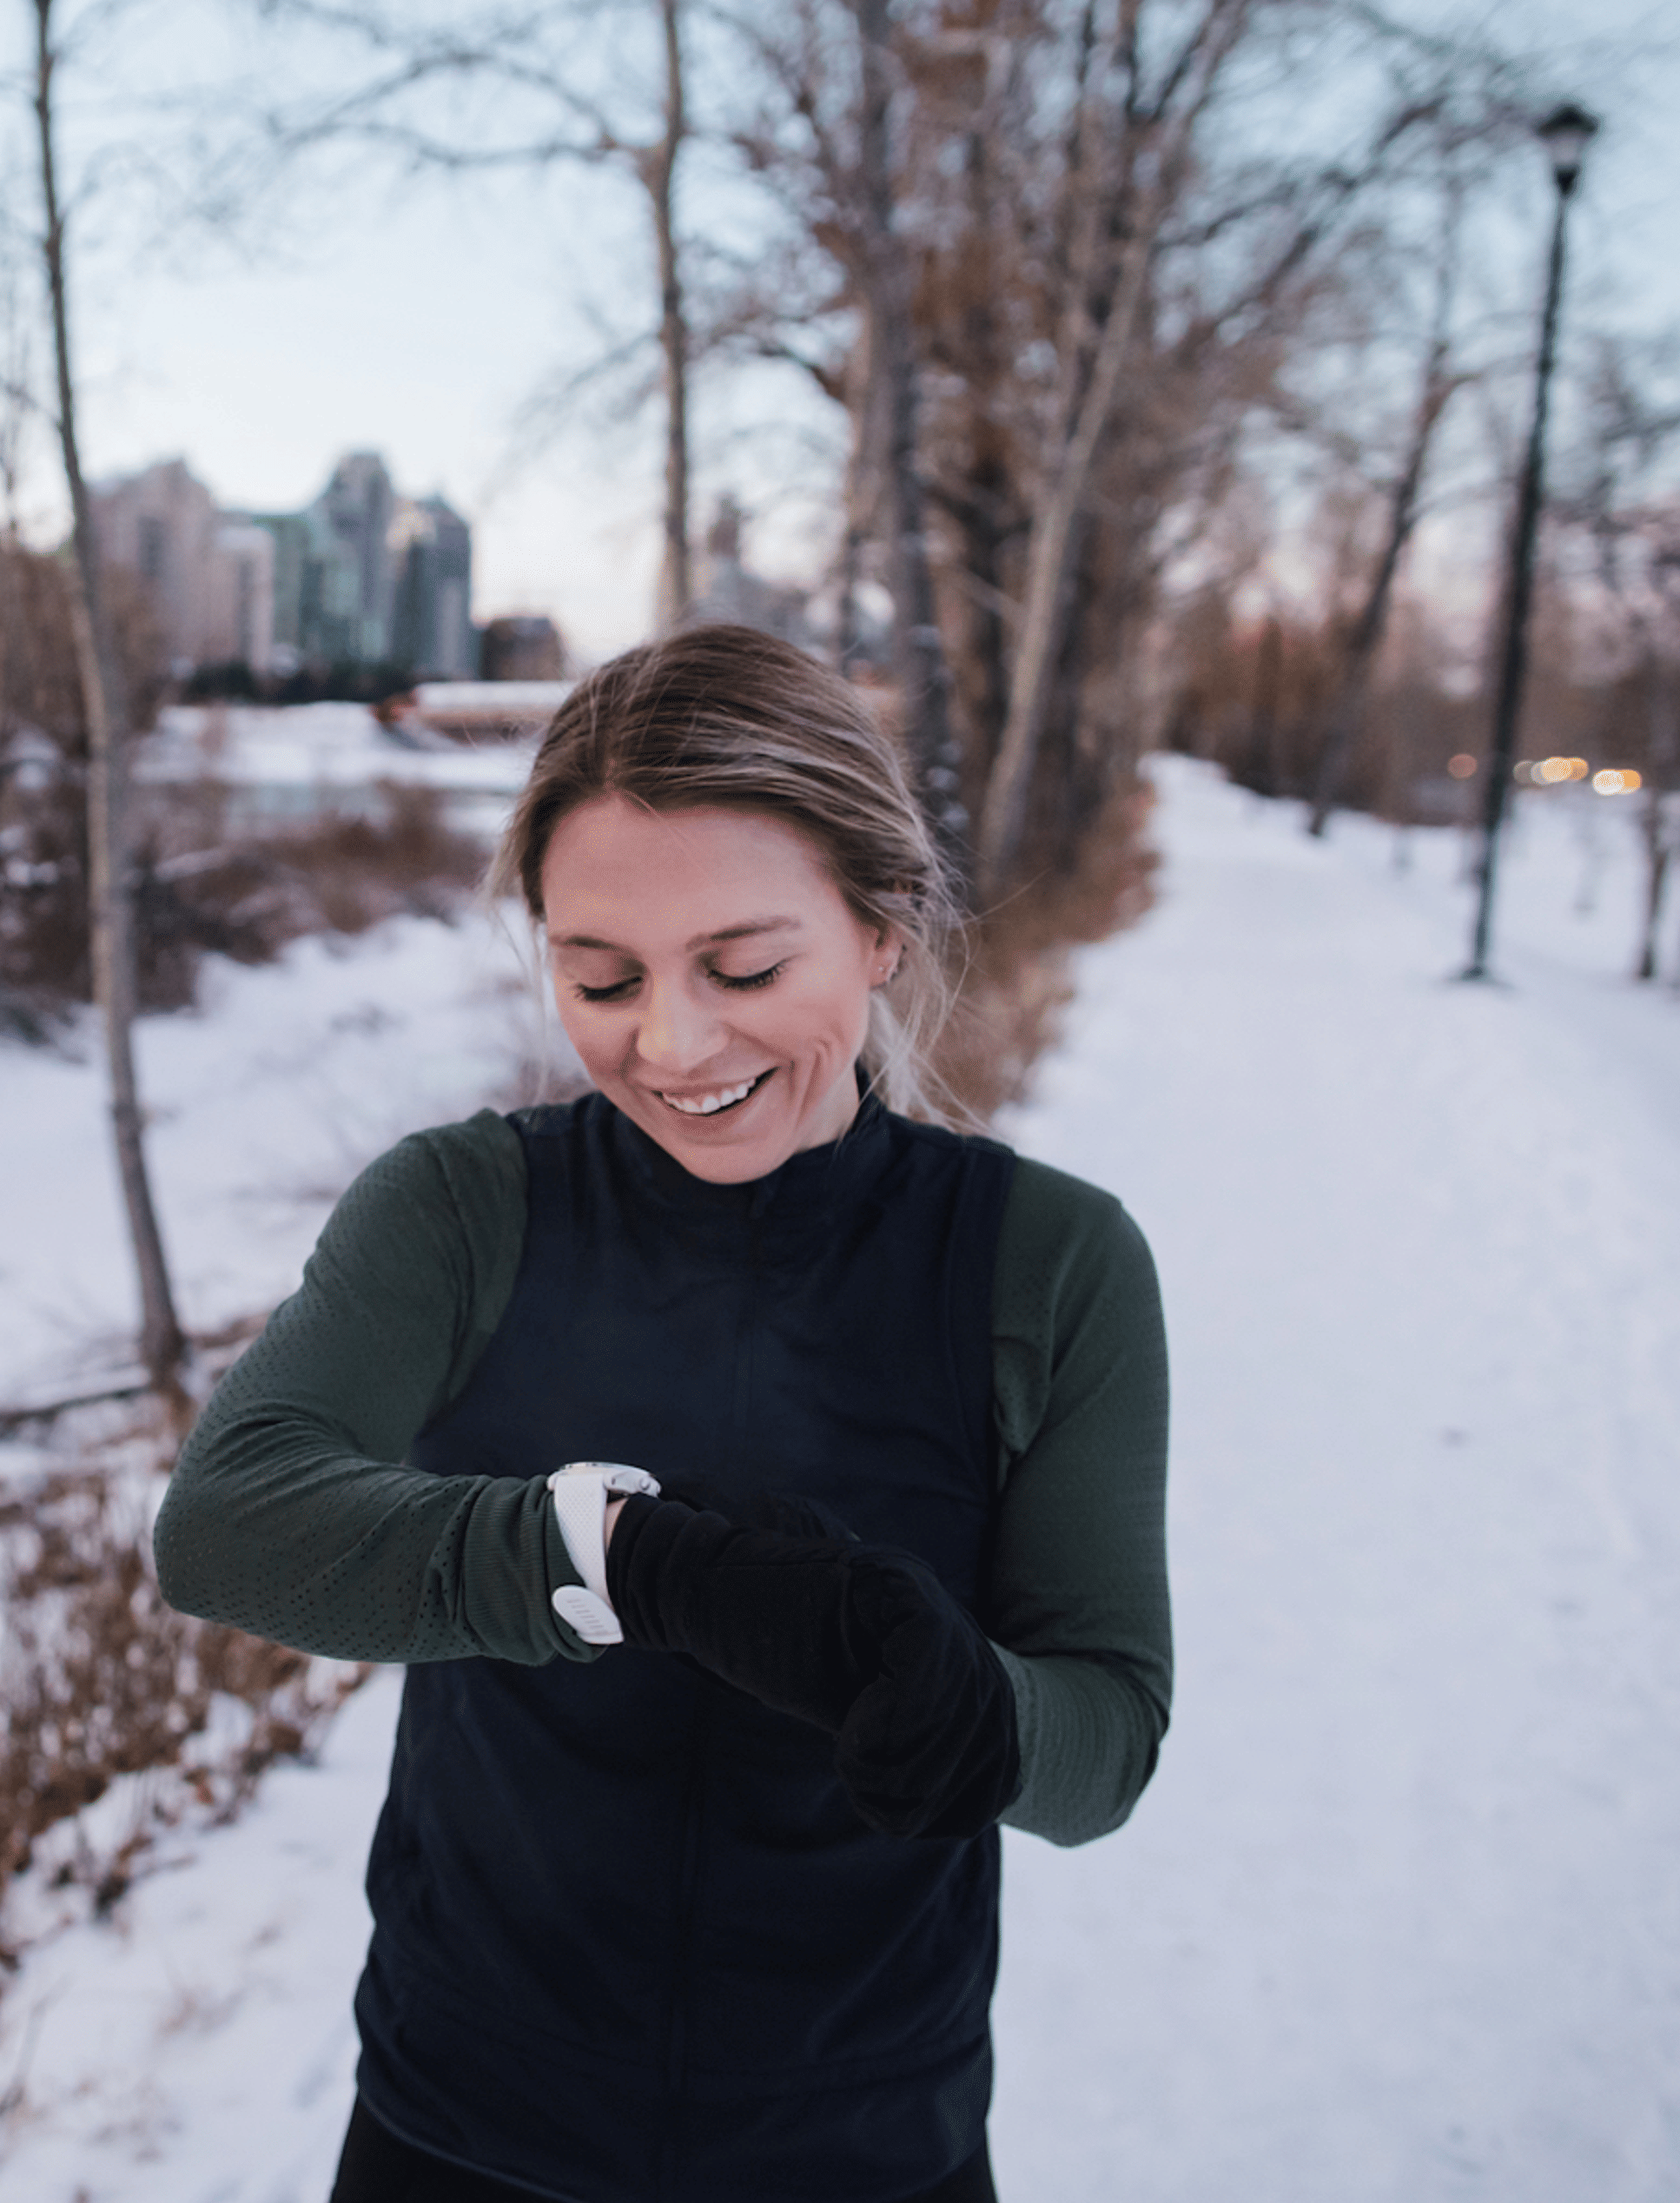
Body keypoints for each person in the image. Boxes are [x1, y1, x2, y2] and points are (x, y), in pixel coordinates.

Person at [154, 624, 1170, 2203]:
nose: (671, 1044)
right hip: (464, 2131)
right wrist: (629, 1565)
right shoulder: (462, 1210)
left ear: (885, 926)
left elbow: (1104, 1741)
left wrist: (977, 1712)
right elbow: (228, 1521)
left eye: (746, 967)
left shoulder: (1047, 1264)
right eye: (600, 976)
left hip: (865, 2147)